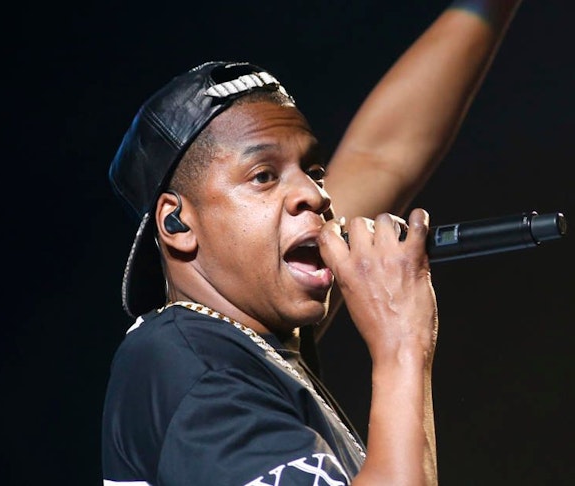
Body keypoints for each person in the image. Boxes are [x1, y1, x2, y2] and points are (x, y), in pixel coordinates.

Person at [101, 1, 523, 484]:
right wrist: (401, 344)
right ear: (177, 223)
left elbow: (382, 155)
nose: (316, 195)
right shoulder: (195, 369)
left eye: (314, 172)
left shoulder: (241, 343)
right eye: (263, 175)